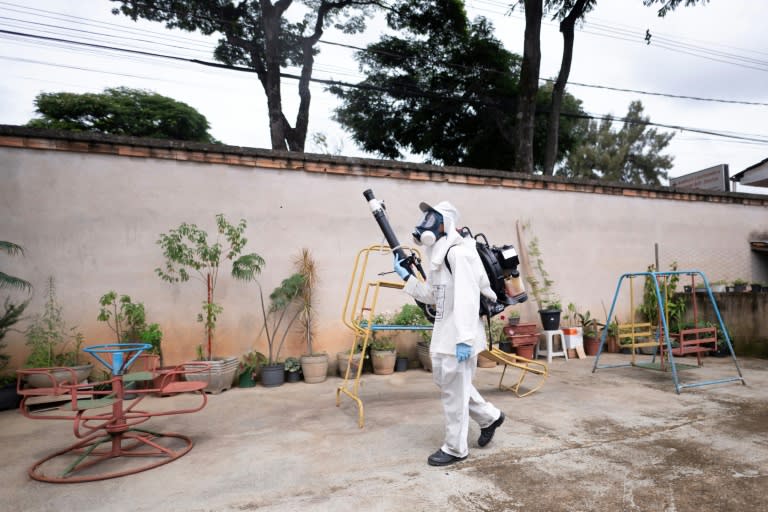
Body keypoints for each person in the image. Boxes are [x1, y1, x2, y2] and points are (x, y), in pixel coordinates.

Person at [393, 200, 505, 466]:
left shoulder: (460, 254)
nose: (425, 223)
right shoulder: (440, 254)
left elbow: (467, 299)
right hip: (445, 332)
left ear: (446, 223)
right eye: (425, 216)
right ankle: (490, 417)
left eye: (432, 217)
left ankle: (456, 448)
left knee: (453, 394)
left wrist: (465, 340)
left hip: (459, 336)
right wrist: (407, 279)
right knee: (450, 386)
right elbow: (434, 295)